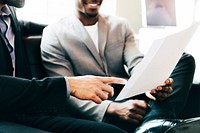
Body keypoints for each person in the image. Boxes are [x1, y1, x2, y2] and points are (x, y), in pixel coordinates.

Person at [41, 0, 199, 132]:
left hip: (133, 93)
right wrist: (112, 108)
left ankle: (153, 122)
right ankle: (156, 122)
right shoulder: (53, 33)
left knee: (184, 59)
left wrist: (153, 82)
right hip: (99, 104)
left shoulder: (120, 25)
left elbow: (136, 62)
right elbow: (64, 89)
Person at [0, 0, 129, 132]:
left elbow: (23, 25)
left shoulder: (8, 12)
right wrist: (68, 84)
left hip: (21, 111)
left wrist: (63, 28)